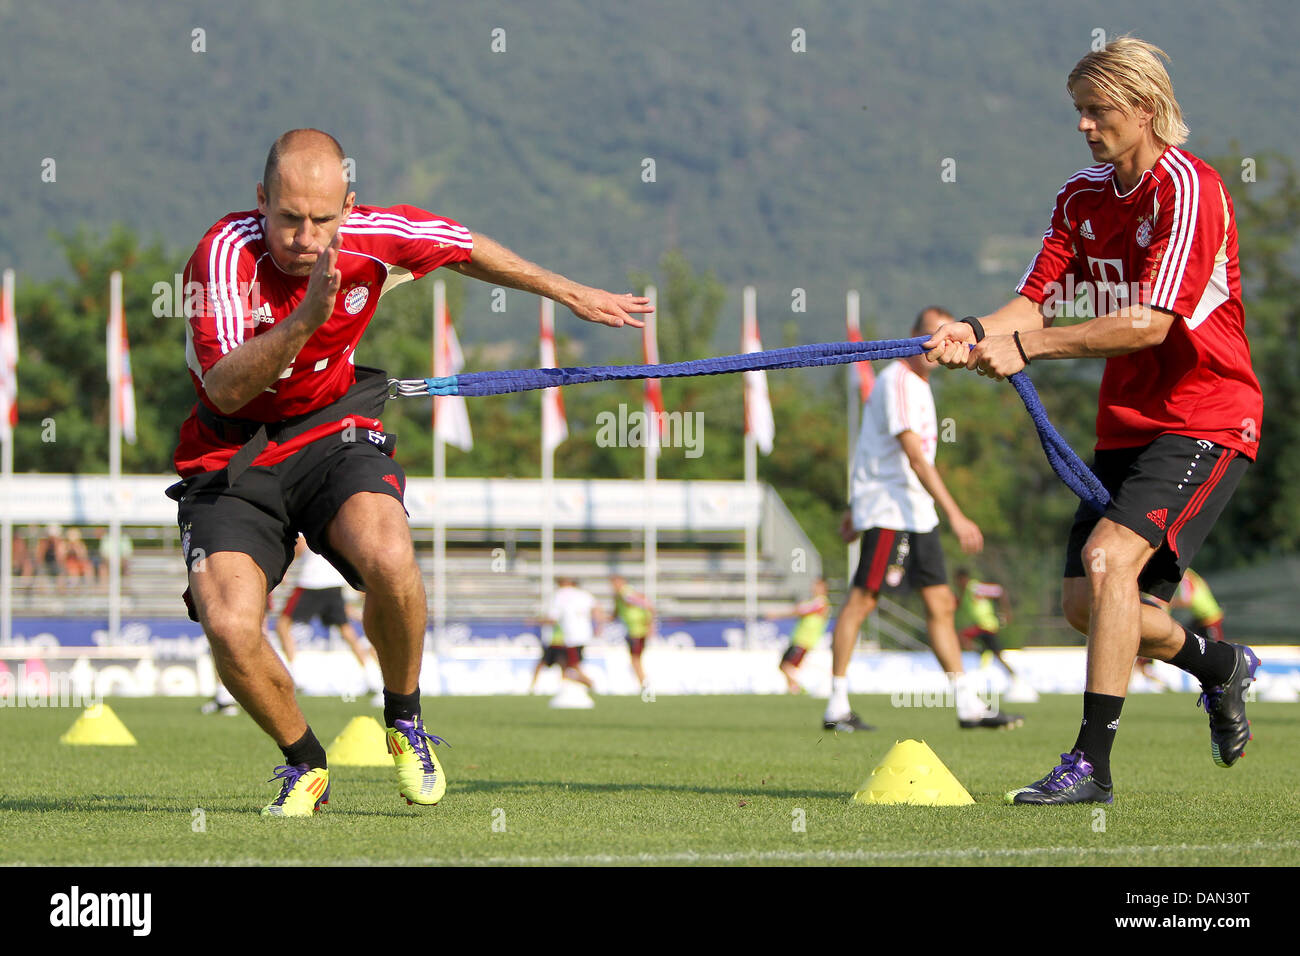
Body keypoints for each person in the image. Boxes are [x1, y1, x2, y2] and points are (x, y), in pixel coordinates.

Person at [170, 128, 651, 816]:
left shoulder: (375, 235)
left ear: (350, 207)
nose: (305, 238)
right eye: (288, 217)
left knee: (390, 552)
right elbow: (223, 389)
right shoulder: (222, 256)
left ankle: (404, 719)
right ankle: (305, 762)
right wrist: (305, 321)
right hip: (231, 452)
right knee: (228, 621)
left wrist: (566, 291)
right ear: (260, 201)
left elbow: (463, 248)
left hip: (332, 428)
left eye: (323, 220)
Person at [926, 37, 1262, 804]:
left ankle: (1090, 767)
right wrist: (976, 332)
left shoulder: (1191, 189)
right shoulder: (1081, 198)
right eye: (1078, 111)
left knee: (1112, 566)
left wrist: (1028, 347)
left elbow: (1148, 324)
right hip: (1127, 423)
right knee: (1088, 604)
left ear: (1145, 109)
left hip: (1207, 416)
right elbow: (1029, 302)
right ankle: (1220, 667)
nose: (1082, 125)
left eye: (1097, 110)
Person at [825, 306, 1024, 733]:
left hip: (916, 511)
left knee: (940, 604)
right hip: (890, 509)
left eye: (946, 336)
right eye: (930, 334)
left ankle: (968, 704)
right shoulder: (897, 379)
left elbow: (872, 447)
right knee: (864, 599)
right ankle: (836, 705)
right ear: (914, 335)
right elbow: (913, 456)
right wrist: (957, 515)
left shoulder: (920, 385)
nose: (938, 343)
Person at [276, 536, 383, 704]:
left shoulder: (305, 518)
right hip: (333, 584)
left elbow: (299, 547)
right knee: (346, 630)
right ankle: (373, 679)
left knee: (282, 625)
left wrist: (282, 569)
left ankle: (296, 677)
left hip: (310, 583)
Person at [529, 577, 603, 694]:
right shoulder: (584, 594)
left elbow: (553, 618)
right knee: (568, 665)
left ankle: (589, 683)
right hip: (583, 636)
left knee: (572, 666)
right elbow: (597, 609)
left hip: (569, 638)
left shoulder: (560, 595)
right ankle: (576, 684)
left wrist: (535, 621)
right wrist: (599, 626)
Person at [768, 578, 830, 694]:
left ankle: (798, 688)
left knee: (787, 666)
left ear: (824, 588)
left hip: (805, 641)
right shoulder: (814, 602)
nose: (813, 588)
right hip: (798, 639)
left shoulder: (821, 603)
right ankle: (793, 689)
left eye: (817, 586)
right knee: (783, 665)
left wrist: (777, 614)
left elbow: (801, 610)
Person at [953, 568, 1018, 679]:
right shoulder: (964, 593)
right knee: (960, 637)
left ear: (963, 579)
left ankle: (1013, 675)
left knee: (997, 655)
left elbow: (999, 591)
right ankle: (982, 651)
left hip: (987, 626)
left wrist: (1007, 612)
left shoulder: (974, 588)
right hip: (980, 627)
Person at [610, 574, 654, 691]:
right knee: (635, 659)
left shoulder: (626, 594)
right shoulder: (619, 596)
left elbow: (646, 604)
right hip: (631, 630)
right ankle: (643, 683)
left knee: (635, 659)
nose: (614, 586)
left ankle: (644, 684)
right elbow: (616, 613)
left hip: (637, 631)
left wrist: (649, 624)